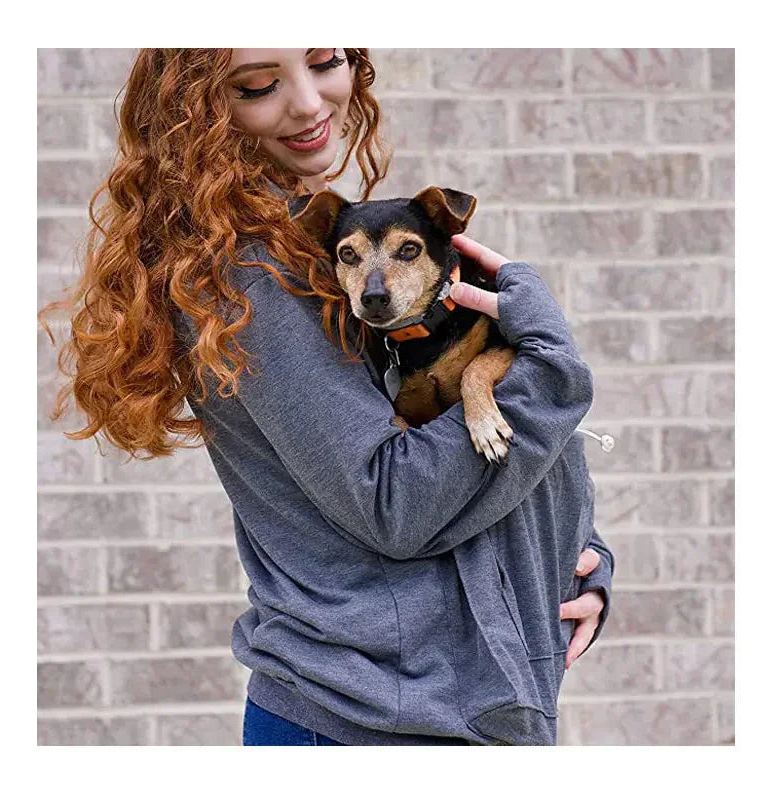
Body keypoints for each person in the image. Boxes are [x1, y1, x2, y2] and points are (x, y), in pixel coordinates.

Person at [39, 48, 614, 746]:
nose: (310, 103)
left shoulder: (321, 245)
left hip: (431, 704)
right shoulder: (253, 276)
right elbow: (394, 501)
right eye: (259, 85)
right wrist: (549, 366)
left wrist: (572, 557)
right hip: (367, 715)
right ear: (199, 110)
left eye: (324, 61)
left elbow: (451, 450)